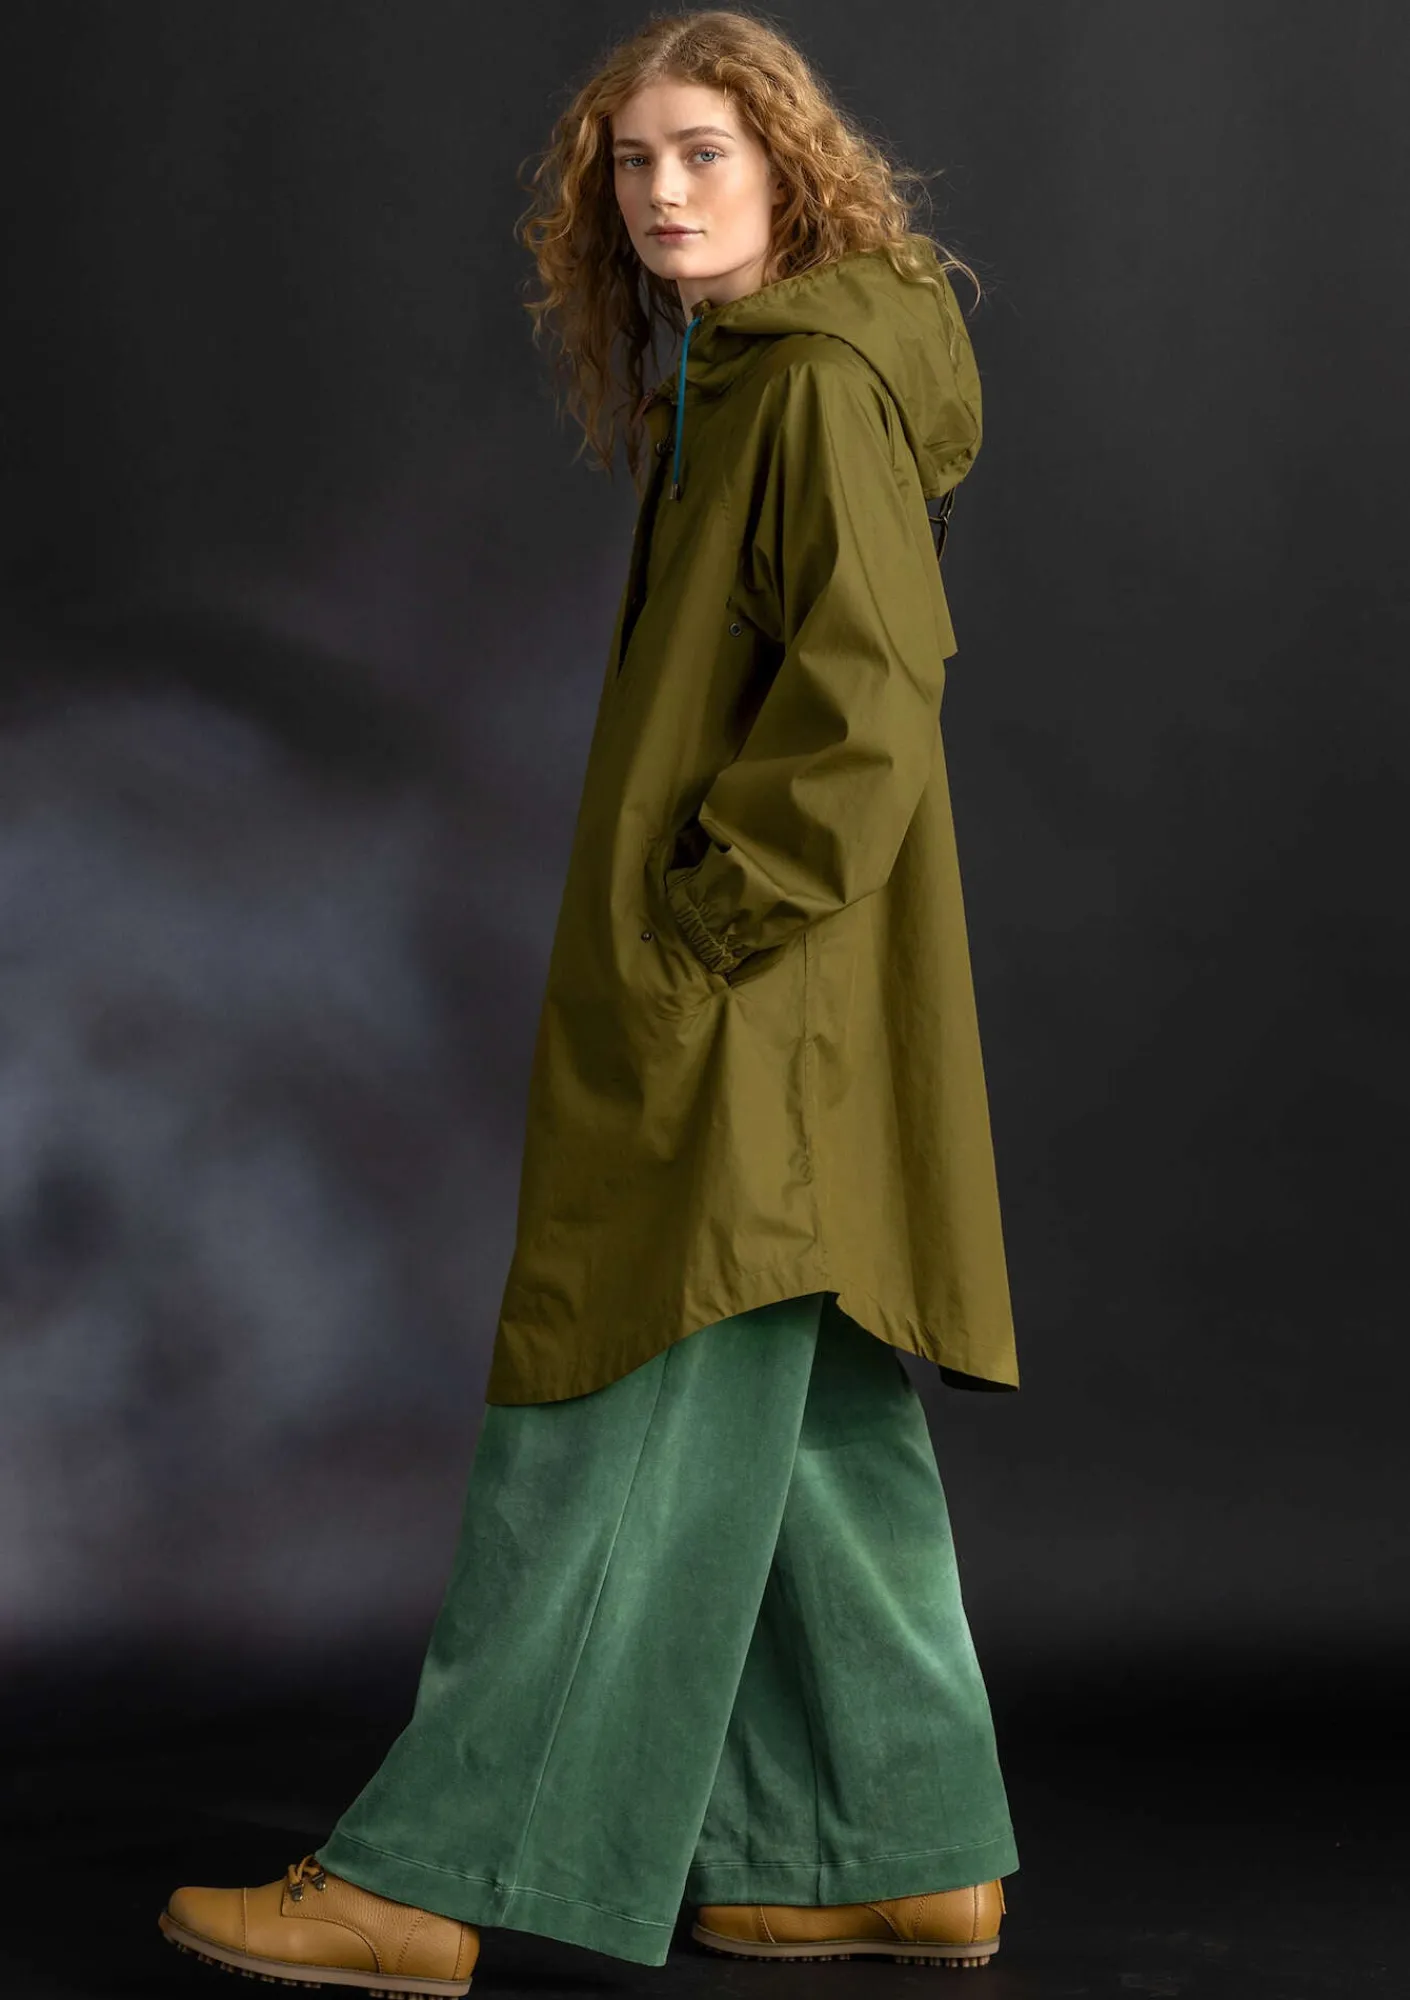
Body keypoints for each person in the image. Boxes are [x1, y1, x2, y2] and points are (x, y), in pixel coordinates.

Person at [157, 10, 1021, 1992]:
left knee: (613, 1401)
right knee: (809, 1420)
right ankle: (899, 1849)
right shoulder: (751, 373)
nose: (660, 192)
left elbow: (870, 693)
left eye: (703, 152)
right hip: (782, 1004)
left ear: (789, 166)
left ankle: (430, 1879)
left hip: (752, 1004)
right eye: (633, 161)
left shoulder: (811, 387)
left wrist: (705, 930)